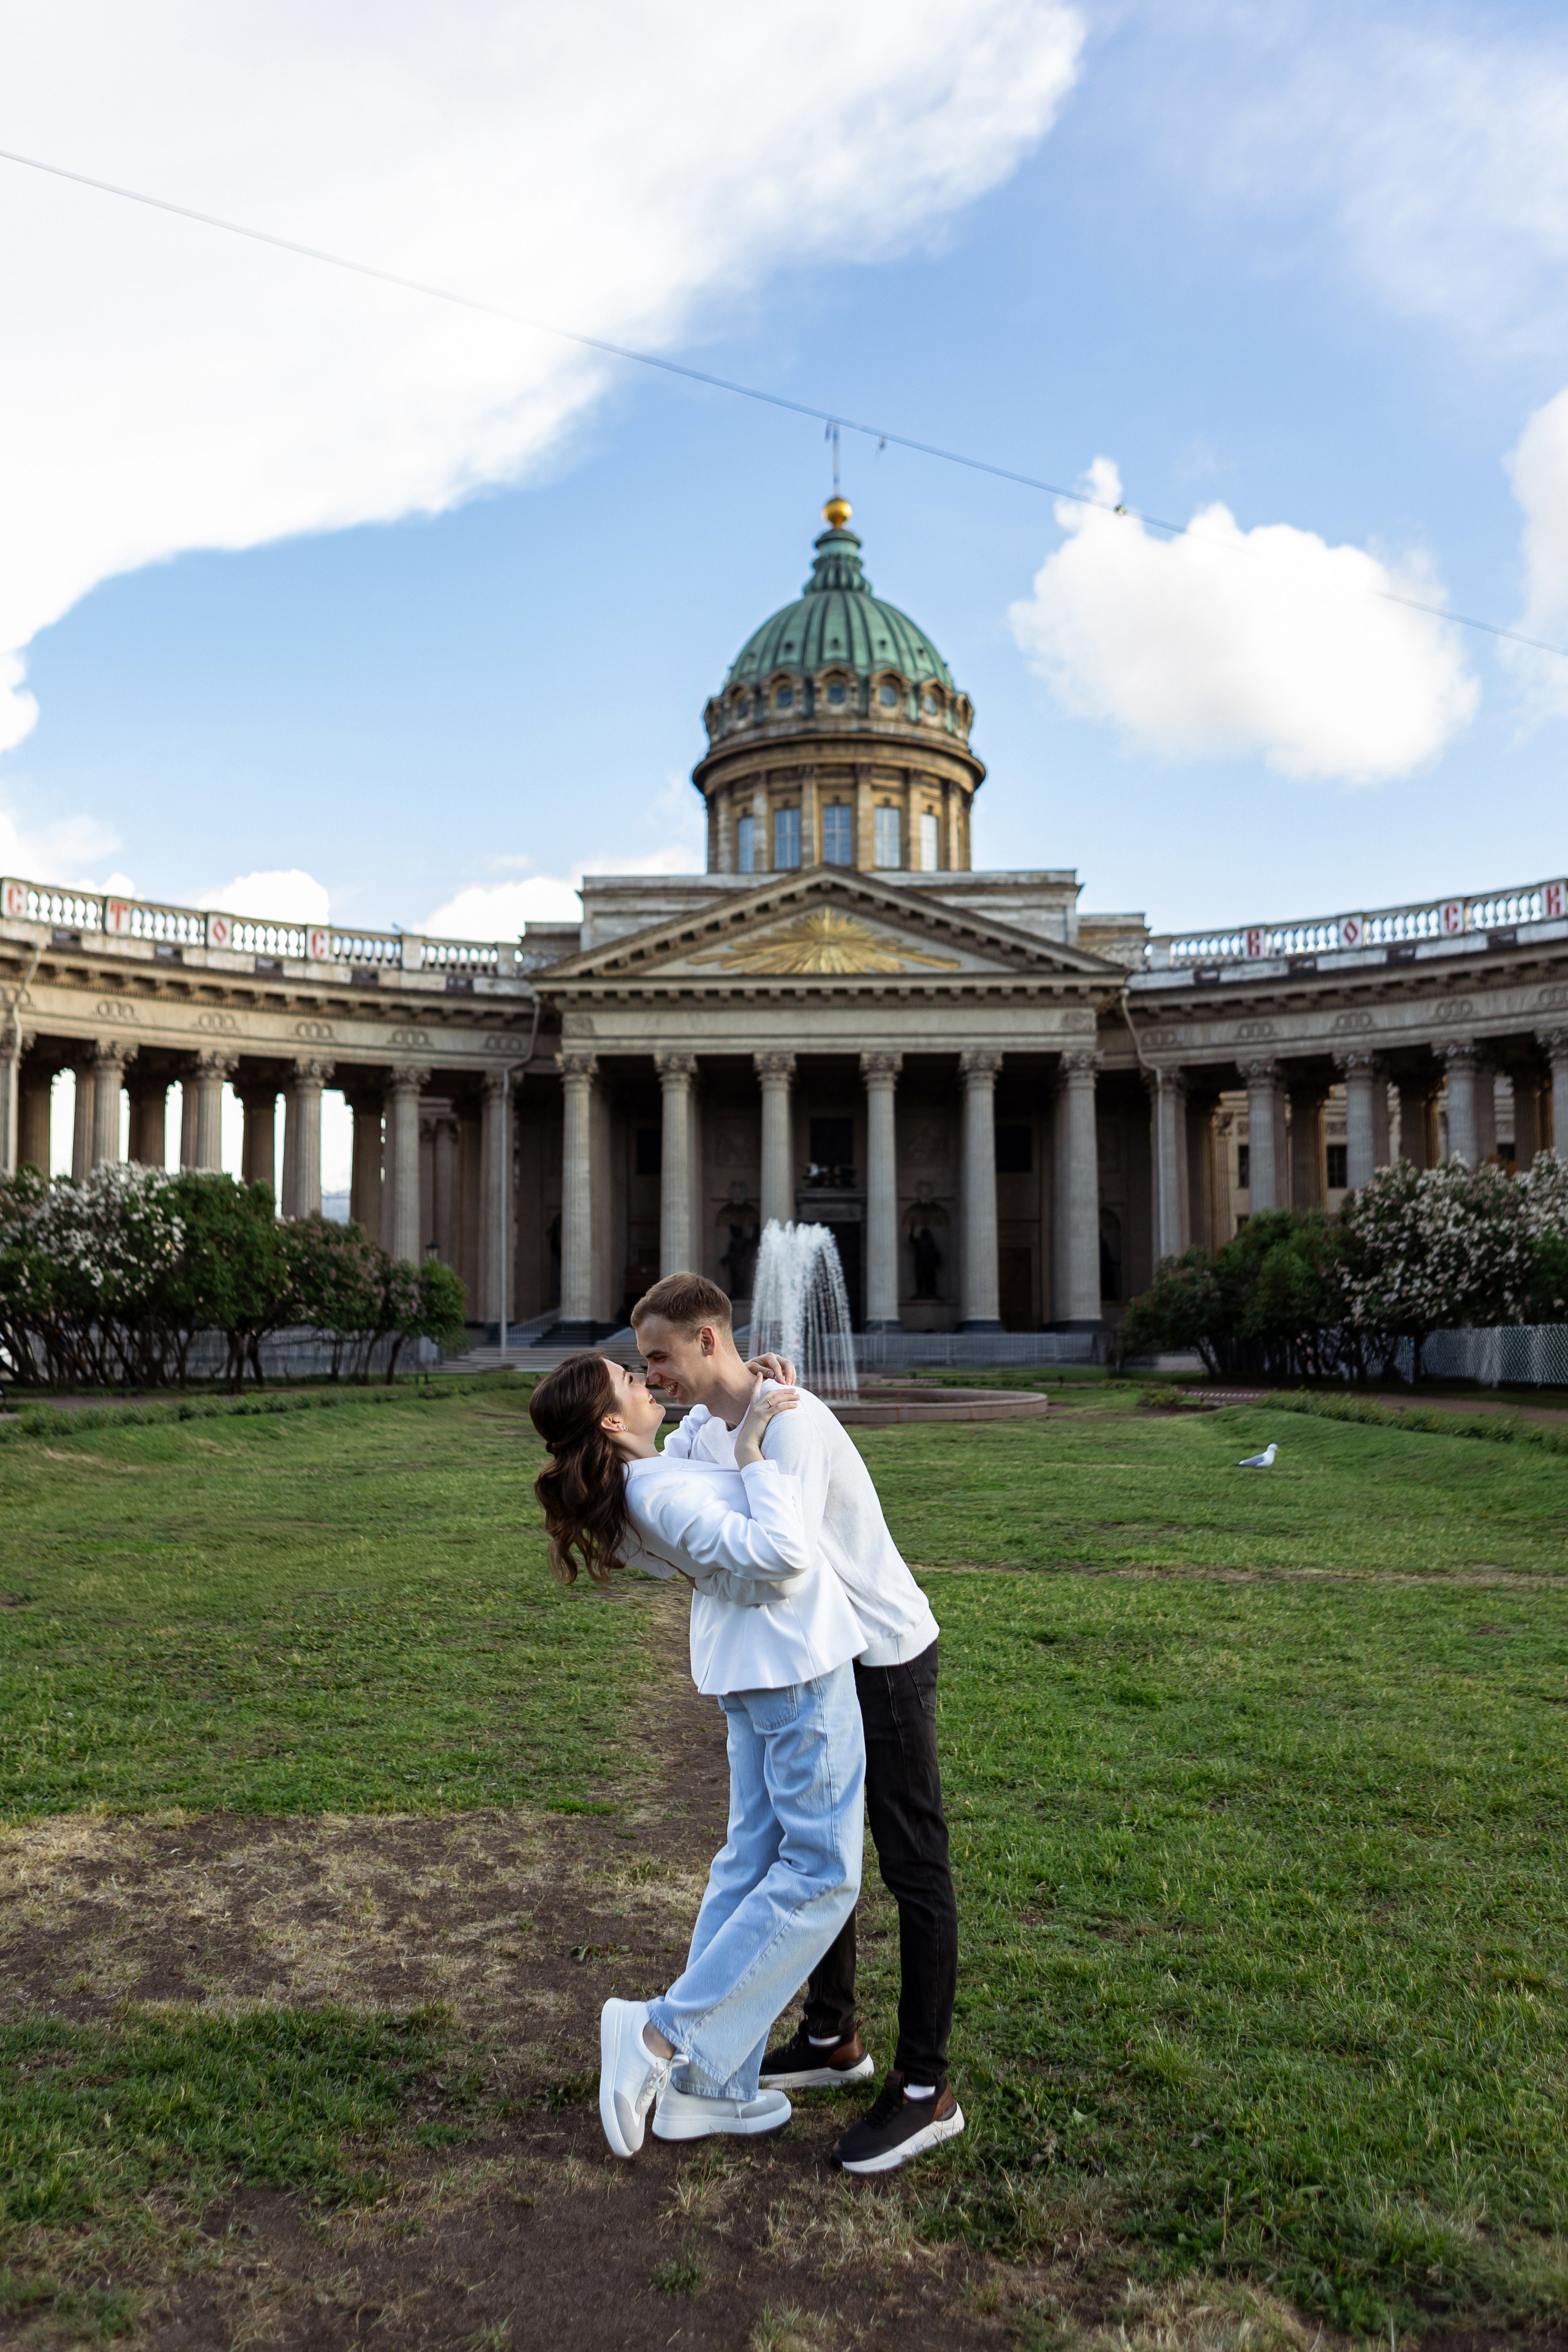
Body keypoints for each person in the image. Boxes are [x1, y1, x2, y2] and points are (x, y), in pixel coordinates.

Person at [631, 1272, 964, 2177]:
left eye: (660, 1355)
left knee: (910, 1861)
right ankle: (831, 2034)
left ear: (708, 1340)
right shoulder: (717, 1426)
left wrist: (749, 1442)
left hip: (882, 1652)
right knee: (811, 1846)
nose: (651, 1373)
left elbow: (783, 1560)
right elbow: (673, 1490)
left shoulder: (790, 1421)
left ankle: (926, 2087)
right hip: (821, 1658)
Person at [529, 1350, 867, 2161]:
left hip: (755, 1669)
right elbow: (783, 1555)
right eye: (631, 1380)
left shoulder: (646, 1475)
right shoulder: (657, 1493)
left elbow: (694, 1448)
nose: (648, 1382)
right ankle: (659, 2033)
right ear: (612, 1420)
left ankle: (711, 2088)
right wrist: (753, 1454)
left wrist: (739, 1393)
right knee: (823, 1872)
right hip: (792, 1667)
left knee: (749, 1864)